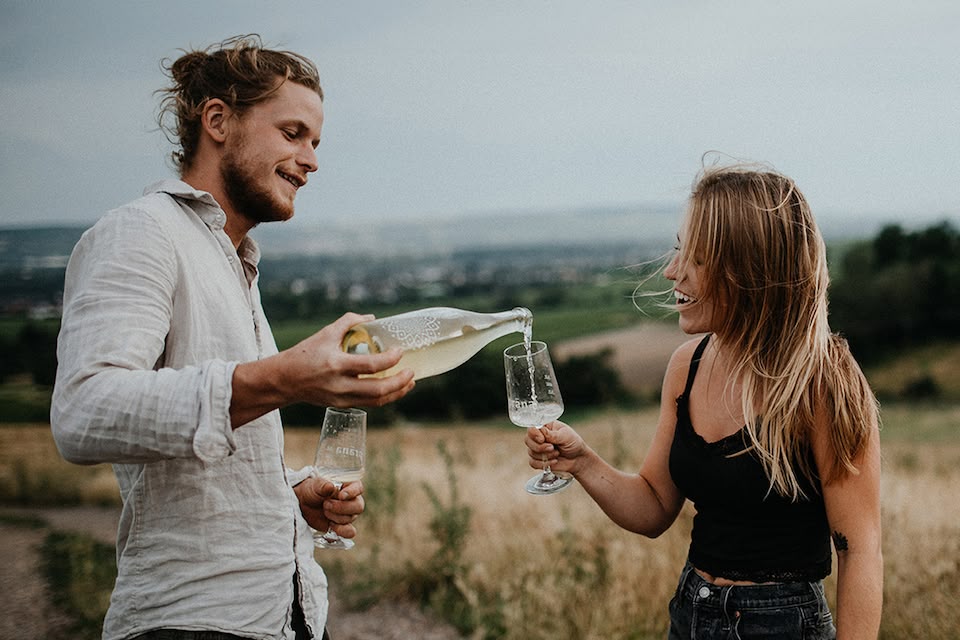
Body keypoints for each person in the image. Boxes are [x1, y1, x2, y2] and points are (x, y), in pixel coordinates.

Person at [51, 35, 416, 640]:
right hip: (190, 621)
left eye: (316, 142)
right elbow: (83, 411)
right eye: (293, 133)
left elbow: (205, 448)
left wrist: (289, 492)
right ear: (217, 120)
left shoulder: (233, 260)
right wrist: (287, 377)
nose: (312, 160)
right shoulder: (140, 235)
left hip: (285, 613)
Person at [526, 163, 882, 639]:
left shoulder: (822, 383)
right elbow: (653, 507)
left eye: (695, 258)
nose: (673, 272)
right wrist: (582, 461)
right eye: (679, 250)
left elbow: (858, 548)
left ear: (748, 268)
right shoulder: (686, 366)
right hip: (692, 614)